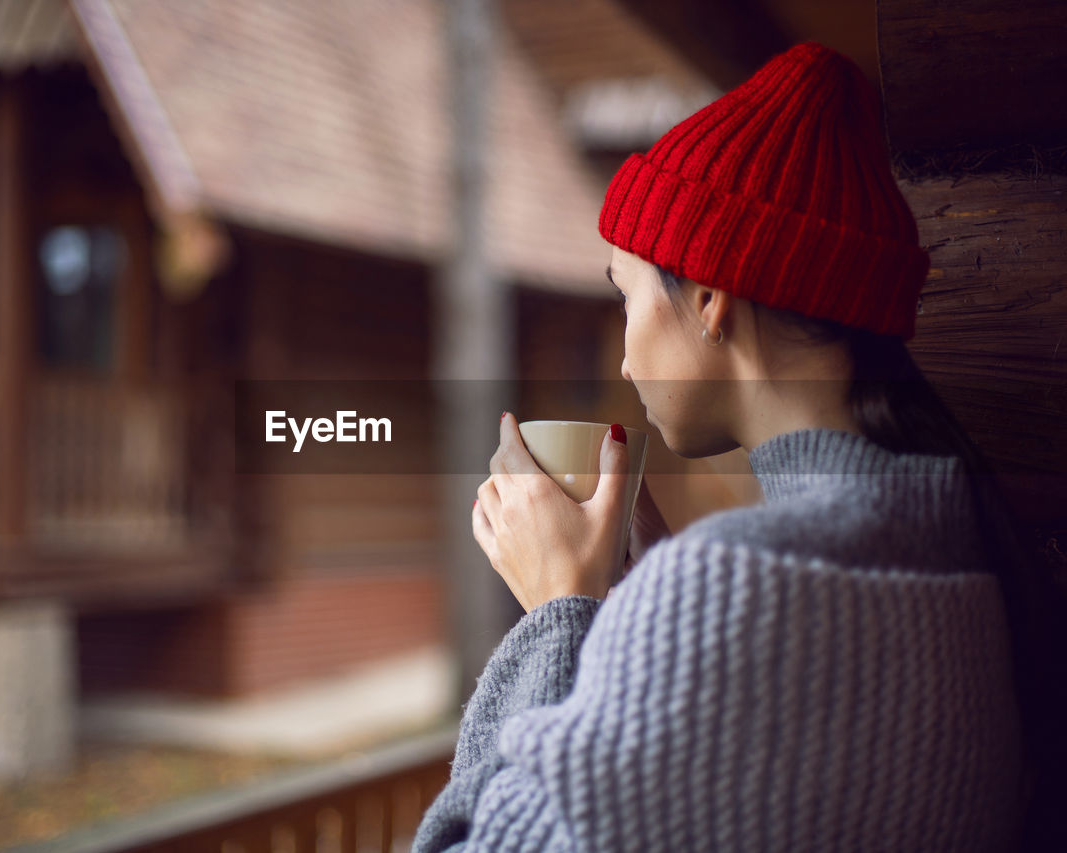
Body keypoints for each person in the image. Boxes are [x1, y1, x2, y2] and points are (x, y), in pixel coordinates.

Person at [412, 41, 1060, 852]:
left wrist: (557, 610)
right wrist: (640, 602)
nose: (622, 354)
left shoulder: (727, 584)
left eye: (627, 294)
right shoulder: (960, 536)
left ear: (712, 296)